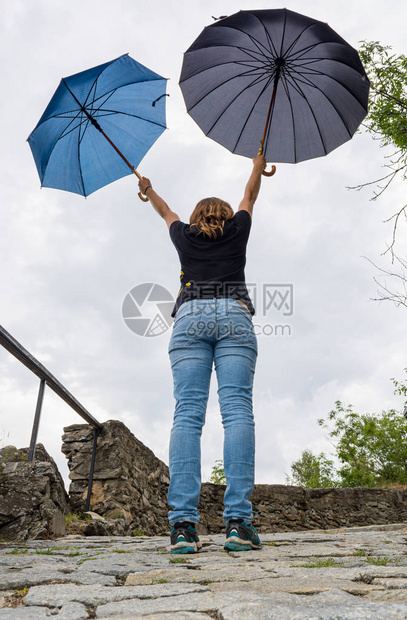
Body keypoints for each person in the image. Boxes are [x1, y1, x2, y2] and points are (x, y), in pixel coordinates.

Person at [138, 155, 267, 554]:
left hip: (190, 316)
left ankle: (182, 528)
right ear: (226, 216)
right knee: (237, 411)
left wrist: (148, 190)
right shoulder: (238, 229)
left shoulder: (184, 235)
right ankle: (238, 524)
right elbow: (249, 194)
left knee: (188, 415)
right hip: (233, 313)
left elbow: (166, 212)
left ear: (196, 219)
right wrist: (257, 166)